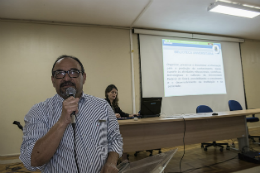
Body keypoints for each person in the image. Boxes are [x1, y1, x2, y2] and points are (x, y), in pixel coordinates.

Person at [20, 55, 123, 173]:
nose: (66, 78)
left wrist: (111, 162)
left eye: (73, 72)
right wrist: (62, 122)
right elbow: (32, 161)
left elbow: (114, 139)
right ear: (53, 80)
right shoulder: (38, 111)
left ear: (83, 77)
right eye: (60, 73)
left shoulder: (102, 107)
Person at [105, 84, 138, 162]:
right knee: (121, 136)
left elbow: (122, 113)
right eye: (112, 92)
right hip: (107, 129)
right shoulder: (104, 103)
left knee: (124, 135)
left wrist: (131, 115)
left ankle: (124, 157)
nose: (114, 94)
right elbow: (102, 115)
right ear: (107, 93)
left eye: (116, 93)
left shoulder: (115, 104)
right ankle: (119, 158)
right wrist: (113, 115)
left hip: (116, 126)